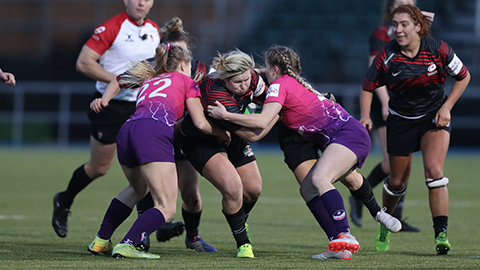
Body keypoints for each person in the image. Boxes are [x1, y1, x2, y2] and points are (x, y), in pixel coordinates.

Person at [207, 45, 402, 259]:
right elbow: (259, 83)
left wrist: (225, 116)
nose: (248, 80)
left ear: (275, 69)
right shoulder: (286, 80)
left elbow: (261, 123)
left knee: (322, 178)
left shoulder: (278, 85)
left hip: (346, 135)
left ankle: (347, 232)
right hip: (334, 135)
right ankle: (340, 247)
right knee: (309, 188)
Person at [87, 43, 229, 259]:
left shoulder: (150, 80)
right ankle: (128, 244)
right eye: (189, 64)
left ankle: (100, 241)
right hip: (152, 132)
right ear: (184, 64)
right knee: (166, 206)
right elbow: (199, 123)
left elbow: (118, 80)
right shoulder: (186, 80)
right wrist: (221, 133)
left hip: (127, 130)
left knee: (137, 189)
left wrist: (105, 99)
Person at [360, 4, 470, 254]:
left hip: (434, 118)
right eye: (395, 25)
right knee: (397, 181)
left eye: (404, 25)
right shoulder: (387, 56)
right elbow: (367, 86)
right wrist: (366, 116)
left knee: (434, 171)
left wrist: (447, 108)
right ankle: (385, 224)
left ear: (418, 27)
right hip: (401, 121)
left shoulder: (437, 49)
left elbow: (464, 76)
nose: (398, 30)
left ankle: (441, 234)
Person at [52, 0, 159, 238]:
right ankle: (63, 200)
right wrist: (119, 80)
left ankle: (148, 227)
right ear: (126, 1)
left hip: (141, 106)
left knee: (148, 166)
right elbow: (83, 63)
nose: (141, 2)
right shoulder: (111, 27)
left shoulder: (154, 30)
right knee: (99, 167)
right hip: (109, 106)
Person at [178, 49, 272, 258]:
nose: (244, 84)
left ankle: (238, 220)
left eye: (247, 78)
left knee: (253, 189)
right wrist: (275, 114)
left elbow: (267, 97)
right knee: (232, 187)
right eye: (238, 82)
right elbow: (252, 134)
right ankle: (243, 243)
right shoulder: (216, 92)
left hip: (231, 134)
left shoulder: (253, 77)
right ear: (225, 78)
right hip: (202, 140)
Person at [349, 0, 420, 233]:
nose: (406, 4)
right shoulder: (381, 34)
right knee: (393, 163)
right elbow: (374, 72)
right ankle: (360, 195)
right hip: (386, 104)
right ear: (391, 7)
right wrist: (385, 101)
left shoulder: (414, 30)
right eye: (401, 2)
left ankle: (397, 217)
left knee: (403, 162)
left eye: (410, 2)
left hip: (406, 103)